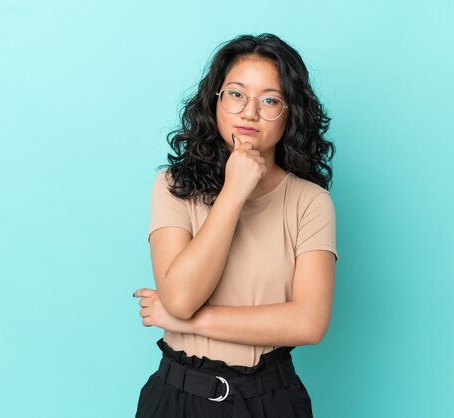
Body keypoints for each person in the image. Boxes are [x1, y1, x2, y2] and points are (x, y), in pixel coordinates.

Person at [133, 33, 337, 418]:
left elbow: (309, 323)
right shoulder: (172, 187)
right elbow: (179, 297)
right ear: (215, 101)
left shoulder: (311, 202)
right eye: (236, 94)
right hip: (176, 395)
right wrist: (233, 192)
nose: (250, 112)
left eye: (270, 100)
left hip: (270, 399)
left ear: (292, 113)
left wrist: (188, 321)